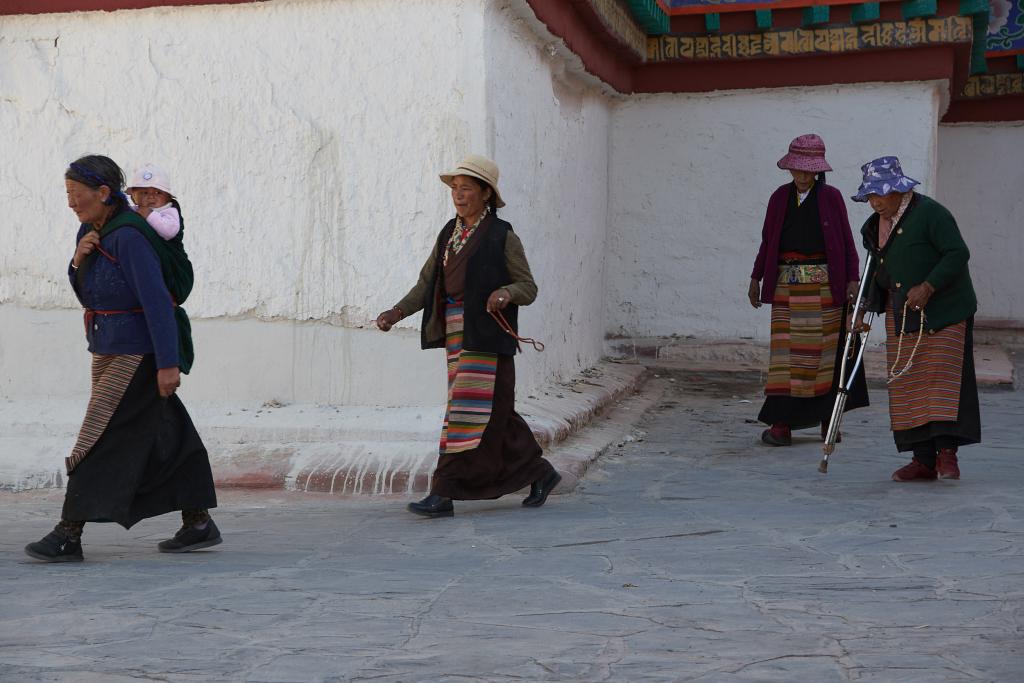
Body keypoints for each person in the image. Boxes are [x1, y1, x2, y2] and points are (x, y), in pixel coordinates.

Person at [24, 155, 219, 563]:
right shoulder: (92, 230)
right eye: (68, 195)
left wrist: (168, 363)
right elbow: (89, 293)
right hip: (108, 348)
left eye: (78, 196)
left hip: (138, 352)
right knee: (166, 431)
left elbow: (156, 302)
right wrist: (78, 260)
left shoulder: (129, 237)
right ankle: (198, 521)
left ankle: (68, 532)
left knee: (99, 434)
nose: (72, 204)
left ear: (103, 193)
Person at [375, 154, 561, 518]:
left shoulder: (501, 235)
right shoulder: (449, 233)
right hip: (458, 334)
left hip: (488, 338)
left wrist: (506, 293)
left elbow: (528, 286)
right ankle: (541, 473)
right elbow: (427, 282)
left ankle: (443, 493)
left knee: (463, 413)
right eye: (455, 189)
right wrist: (397, 312)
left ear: (486, 194)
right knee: (494, 415)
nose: (459, 196)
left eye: (467, 189)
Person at [852, 156, 980, 482]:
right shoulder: (874, 225)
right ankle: (922, 460)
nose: (875, 202)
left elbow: (957, 253)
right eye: (870, 196)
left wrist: (928, 285)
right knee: (908, 384)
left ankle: (947, 456)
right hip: (903, 312)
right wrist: (862, 308)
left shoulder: (931, 213)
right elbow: (875, 270)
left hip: (946, 311)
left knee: (942, 382)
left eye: (881, 194)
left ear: (899, 189)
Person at [749, 134, 868, 446]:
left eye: (808, 170)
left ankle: (827, 422)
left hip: (825, 291)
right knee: (785, 359)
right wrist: (756, 277)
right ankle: (782, 424)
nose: (802, 176)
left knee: (824, 357)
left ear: (817, 171)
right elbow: (768, 241)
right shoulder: (778, 198)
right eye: (797, 169)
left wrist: (852, 280)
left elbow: (846, 243)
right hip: (786, 291)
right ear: (789, 169)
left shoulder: (832, 199)